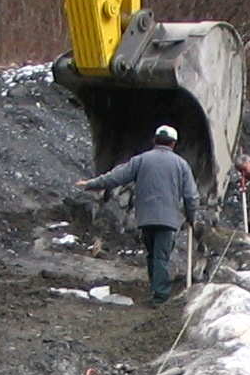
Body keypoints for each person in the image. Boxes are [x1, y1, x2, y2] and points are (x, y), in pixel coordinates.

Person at [73, 125, 198, 303]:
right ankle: (161, 296)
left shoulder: (141, 160)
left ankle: (156, 290)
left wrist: (90, 184)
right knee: (161, 256)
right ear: (173, 144)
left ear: (154, 140)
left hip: (145, 217)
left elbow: (116, 177)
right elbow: (191, 196)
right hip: (168, 218)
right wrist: (191, 217)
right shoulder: (181, 165)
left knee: (152, 254)